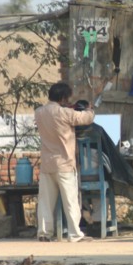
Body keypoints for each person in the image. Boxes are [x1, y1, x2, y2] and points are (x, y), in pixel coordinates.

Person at [34, 82, 95, 242]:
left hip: (47, 163)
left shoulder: (39, 113)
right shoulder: (65, 113)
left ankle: (44, 233)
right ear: (62, 98)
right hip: (65, 163)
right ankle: (75, 234)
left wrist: (70, 107)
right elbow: (86, 119)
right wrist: (89, 109)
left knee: (46, 202)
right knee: (70, 201)